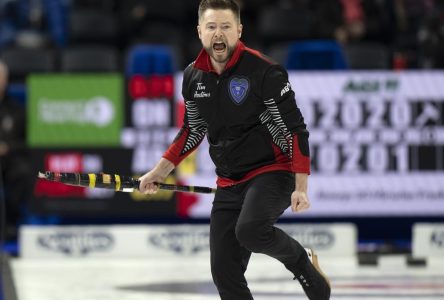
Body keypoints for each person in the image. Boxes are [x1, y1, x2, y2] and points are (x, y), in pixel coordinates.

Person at [139, 1, 331, 299]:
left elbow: (296, 130)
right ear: (200, 31)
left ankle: (299, 260)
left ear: (239, 30)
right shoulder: (192, 77)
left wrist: (300, 187)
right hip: (229, 180)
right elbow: (192, 130)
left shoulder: (265, 72)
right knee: (224, 273)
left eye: (226, 27)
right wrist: (158, 172)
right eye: (212, 26)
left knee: (251, 231)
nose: (219, 34)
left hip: (273, 171)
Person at [0, 60, 30, 241]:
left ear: (6, 80)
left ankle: (11, 220)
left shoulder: (17, 111)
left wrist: (7, 147)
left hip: (9, 160)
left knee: (24, 172)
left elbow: (27, 143)